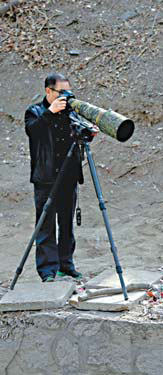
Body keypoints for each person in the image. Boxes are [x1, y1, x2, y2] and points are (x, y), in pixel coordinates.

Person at [25, 73, 83, 282]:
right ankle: (48, 271)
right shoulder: (35, 112)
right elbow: (34, 131)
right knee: (45, 225)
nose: (66, 97)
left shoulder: (70, 112)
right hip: (46, 178)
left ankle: (66, 265)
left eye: (69, 92)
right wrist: (50, 113)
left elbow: (78, 133)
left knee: (66, 224)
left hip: (68, 176)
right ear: (49, 91)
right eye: (62, 92)